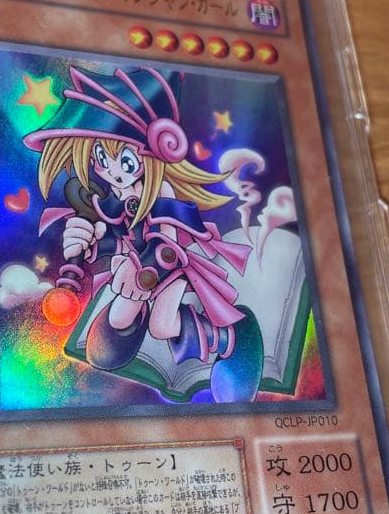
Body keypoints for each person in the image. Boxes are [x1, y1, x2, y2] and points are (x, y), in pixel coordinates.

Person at [23, 64, 264, 402]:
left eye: (125, 161)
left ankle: (233, 338)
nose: (112, 171)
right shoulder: (112, 197)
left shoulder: (161, 192)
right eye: (101, 158)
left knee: (162, 326)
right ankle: (129, 331)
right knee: (116, 325)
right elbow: (115, 233)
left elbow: (168, 247)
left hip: (167, 269)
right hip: (133, 270)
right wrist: (89, 242)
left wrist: (140, 272)